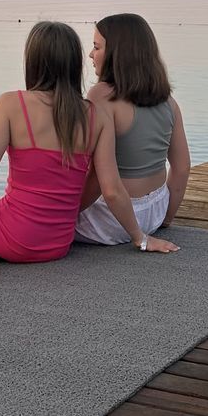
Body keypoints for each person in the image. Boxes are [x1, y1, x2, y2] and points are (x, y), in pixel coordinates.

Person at [0, 20, 179, 282]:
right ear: (74, 64)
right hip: (56, 243)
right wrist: (140, 238)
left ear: (33, 61)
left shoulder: (10, 105)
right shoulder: (96, 117)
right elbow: (110, 186)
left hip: (16, 232)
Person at [75, 13, 191, 245]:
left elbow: (98, 180)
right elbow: (182, 167)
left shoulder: (100, 96)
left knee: (22, 214)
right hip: (155, 211)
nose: (90, 54)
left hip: (114, 218)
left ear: (118, 54)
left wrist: (66, 214)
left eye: (96, 47)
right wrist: (166, 217)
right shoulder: (168, 102)